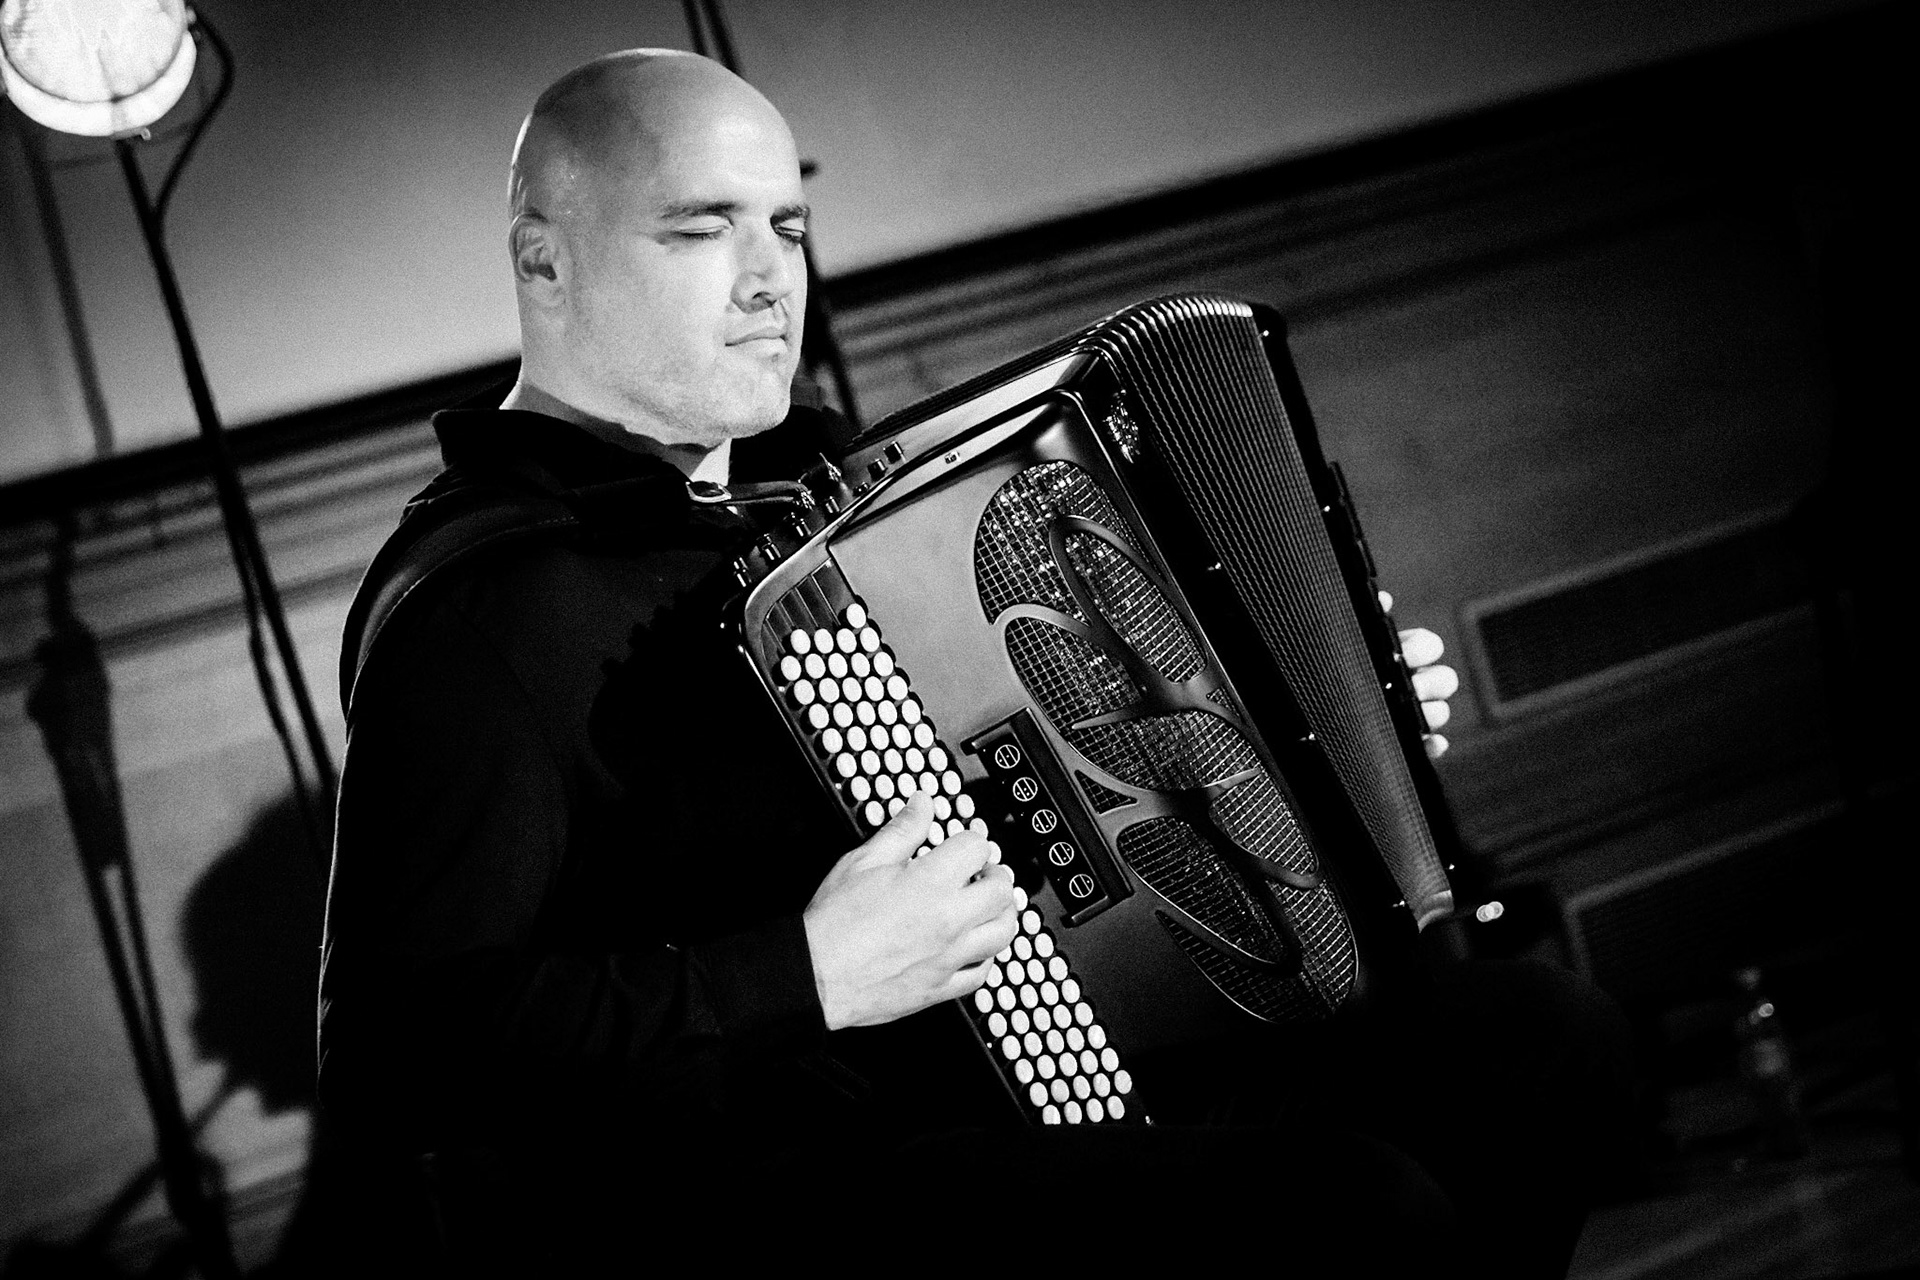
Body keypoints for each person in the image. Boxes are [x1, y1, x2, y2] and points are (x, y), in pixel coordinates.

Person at [320, 49, 1631, 1273]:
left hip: (1037, 1070)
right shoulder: (483, 618)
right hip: (777, 1184)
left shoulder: (829, 489)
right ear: (544, 262)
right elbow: (406, 1051)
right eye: (701, 228)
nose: (771, 277)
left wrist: (1337, 739)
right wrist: (809, 970)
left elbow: (1066, 746)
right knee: (1358, 1215)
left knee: (1534, 1043)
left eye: (784, 227)